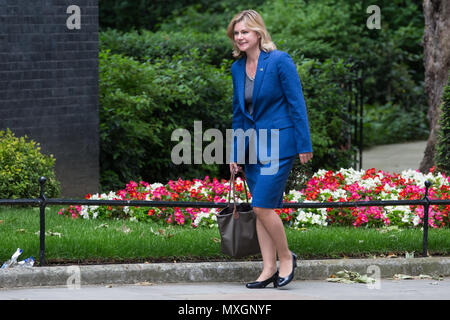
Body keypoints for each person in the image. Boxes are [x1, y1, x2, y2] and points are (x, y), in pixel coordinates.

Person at [226, 10, 313, 288]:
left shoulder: (278, 61)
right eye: (236, 33)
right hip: (252, 148)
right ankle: (267, 269)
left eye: (245, 32)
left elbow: (296, 103)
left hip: (280, 143)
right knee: (262, 208)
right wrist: (235, 153)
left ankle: (286, 257)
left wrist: (303, 143)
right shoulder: (237, 68)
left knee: (262, 206)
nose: (240, 37)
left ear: (258, 33)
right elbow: (239, 114)